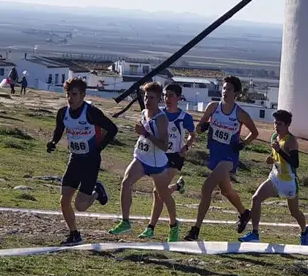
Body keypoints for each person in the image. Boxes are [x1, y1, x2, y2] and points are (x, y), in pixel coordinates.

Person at [183, 75, 257, 241]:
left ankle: (195, 230)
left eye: (229, 89)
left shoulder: (240, 113)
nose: (225, 92)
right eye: (224, 88)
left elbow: (255, 133)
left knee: (206, 187)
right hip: (215, 153)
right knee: (226, 190)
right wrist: (204, 126)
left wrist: (243, 144)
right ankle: (245, 213)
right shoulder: (213, 107)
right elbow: (198, 128)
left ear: (236, 93)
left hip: (229, 156)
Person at [47, 77, 117, 246]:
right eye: (68, 94)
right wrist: (53, 142)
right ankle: (74, 234)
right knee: (64, 201)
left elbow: (113, 129)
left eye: (74, 94)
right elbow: (59, 130)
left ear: (83, 95)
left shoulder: (91, 112)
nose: (70, 98)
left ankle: (97, 192)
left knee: (80, 206)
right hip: (75, 159)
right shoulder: (63, 113)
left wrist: (99, 148)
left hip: (90, 161)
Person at [108, 82, 180, 240]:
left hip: (156, 163)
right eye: (146, 97)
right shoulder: (143, 112)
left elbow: (163, 146)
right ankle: (125, 221)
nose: (148, 101)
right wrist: (141, 134)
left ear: (159, 99)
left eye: (152, 98)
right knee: (126, 183)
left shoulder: (162, 119)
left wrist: (146, 134)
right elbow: (144, 133)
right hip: (140, 157)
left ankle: (174, 225)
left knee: (164, 196)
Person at [238, 109, 308, 245]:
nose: (276, 127)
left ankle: (305, 231)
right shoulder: (273, 138)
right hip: (275, 177)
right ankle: (255, 233)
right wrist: (272, 158)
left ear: (287, 125)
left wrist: (279, 151)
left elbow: (295, 163)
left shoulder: (291, 141)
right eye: (275, 123)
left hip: (289, 181)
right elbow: (277, 156)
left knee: (294, 212)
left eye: (280, 124)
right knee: (256, 198)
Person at [140, 83, 191, 239]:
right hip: (160, 156)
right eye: (165, 95)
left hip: (175, 157)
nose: (167, 98)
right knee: (160, 192)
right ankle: (177, 187)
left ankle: (159, 226)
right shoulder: (159, 113)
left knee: (158, 192)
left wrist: (186, 147)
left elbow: (193, 135)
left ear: (178, 98)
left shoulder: (185, 117)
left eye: (171, 95)